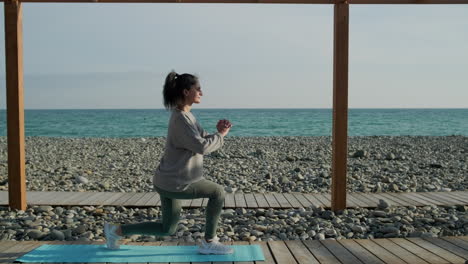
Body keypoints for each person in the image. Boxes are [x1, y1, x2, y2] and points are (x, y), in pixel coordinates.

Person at [104, 71, 234, 255]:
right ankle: (209, 241)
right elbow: (201, 147)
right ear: (185, 91)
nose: (201, 93)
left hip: (167, 179)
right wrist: (221, 136)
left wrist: (218, 131)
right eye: (198, 89)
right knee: (218, 192)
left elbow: (201, 138)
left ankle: (115, 231)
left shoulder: (186, 115)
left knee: (167, 229)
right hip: (178, 182)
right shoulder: (181, 118)